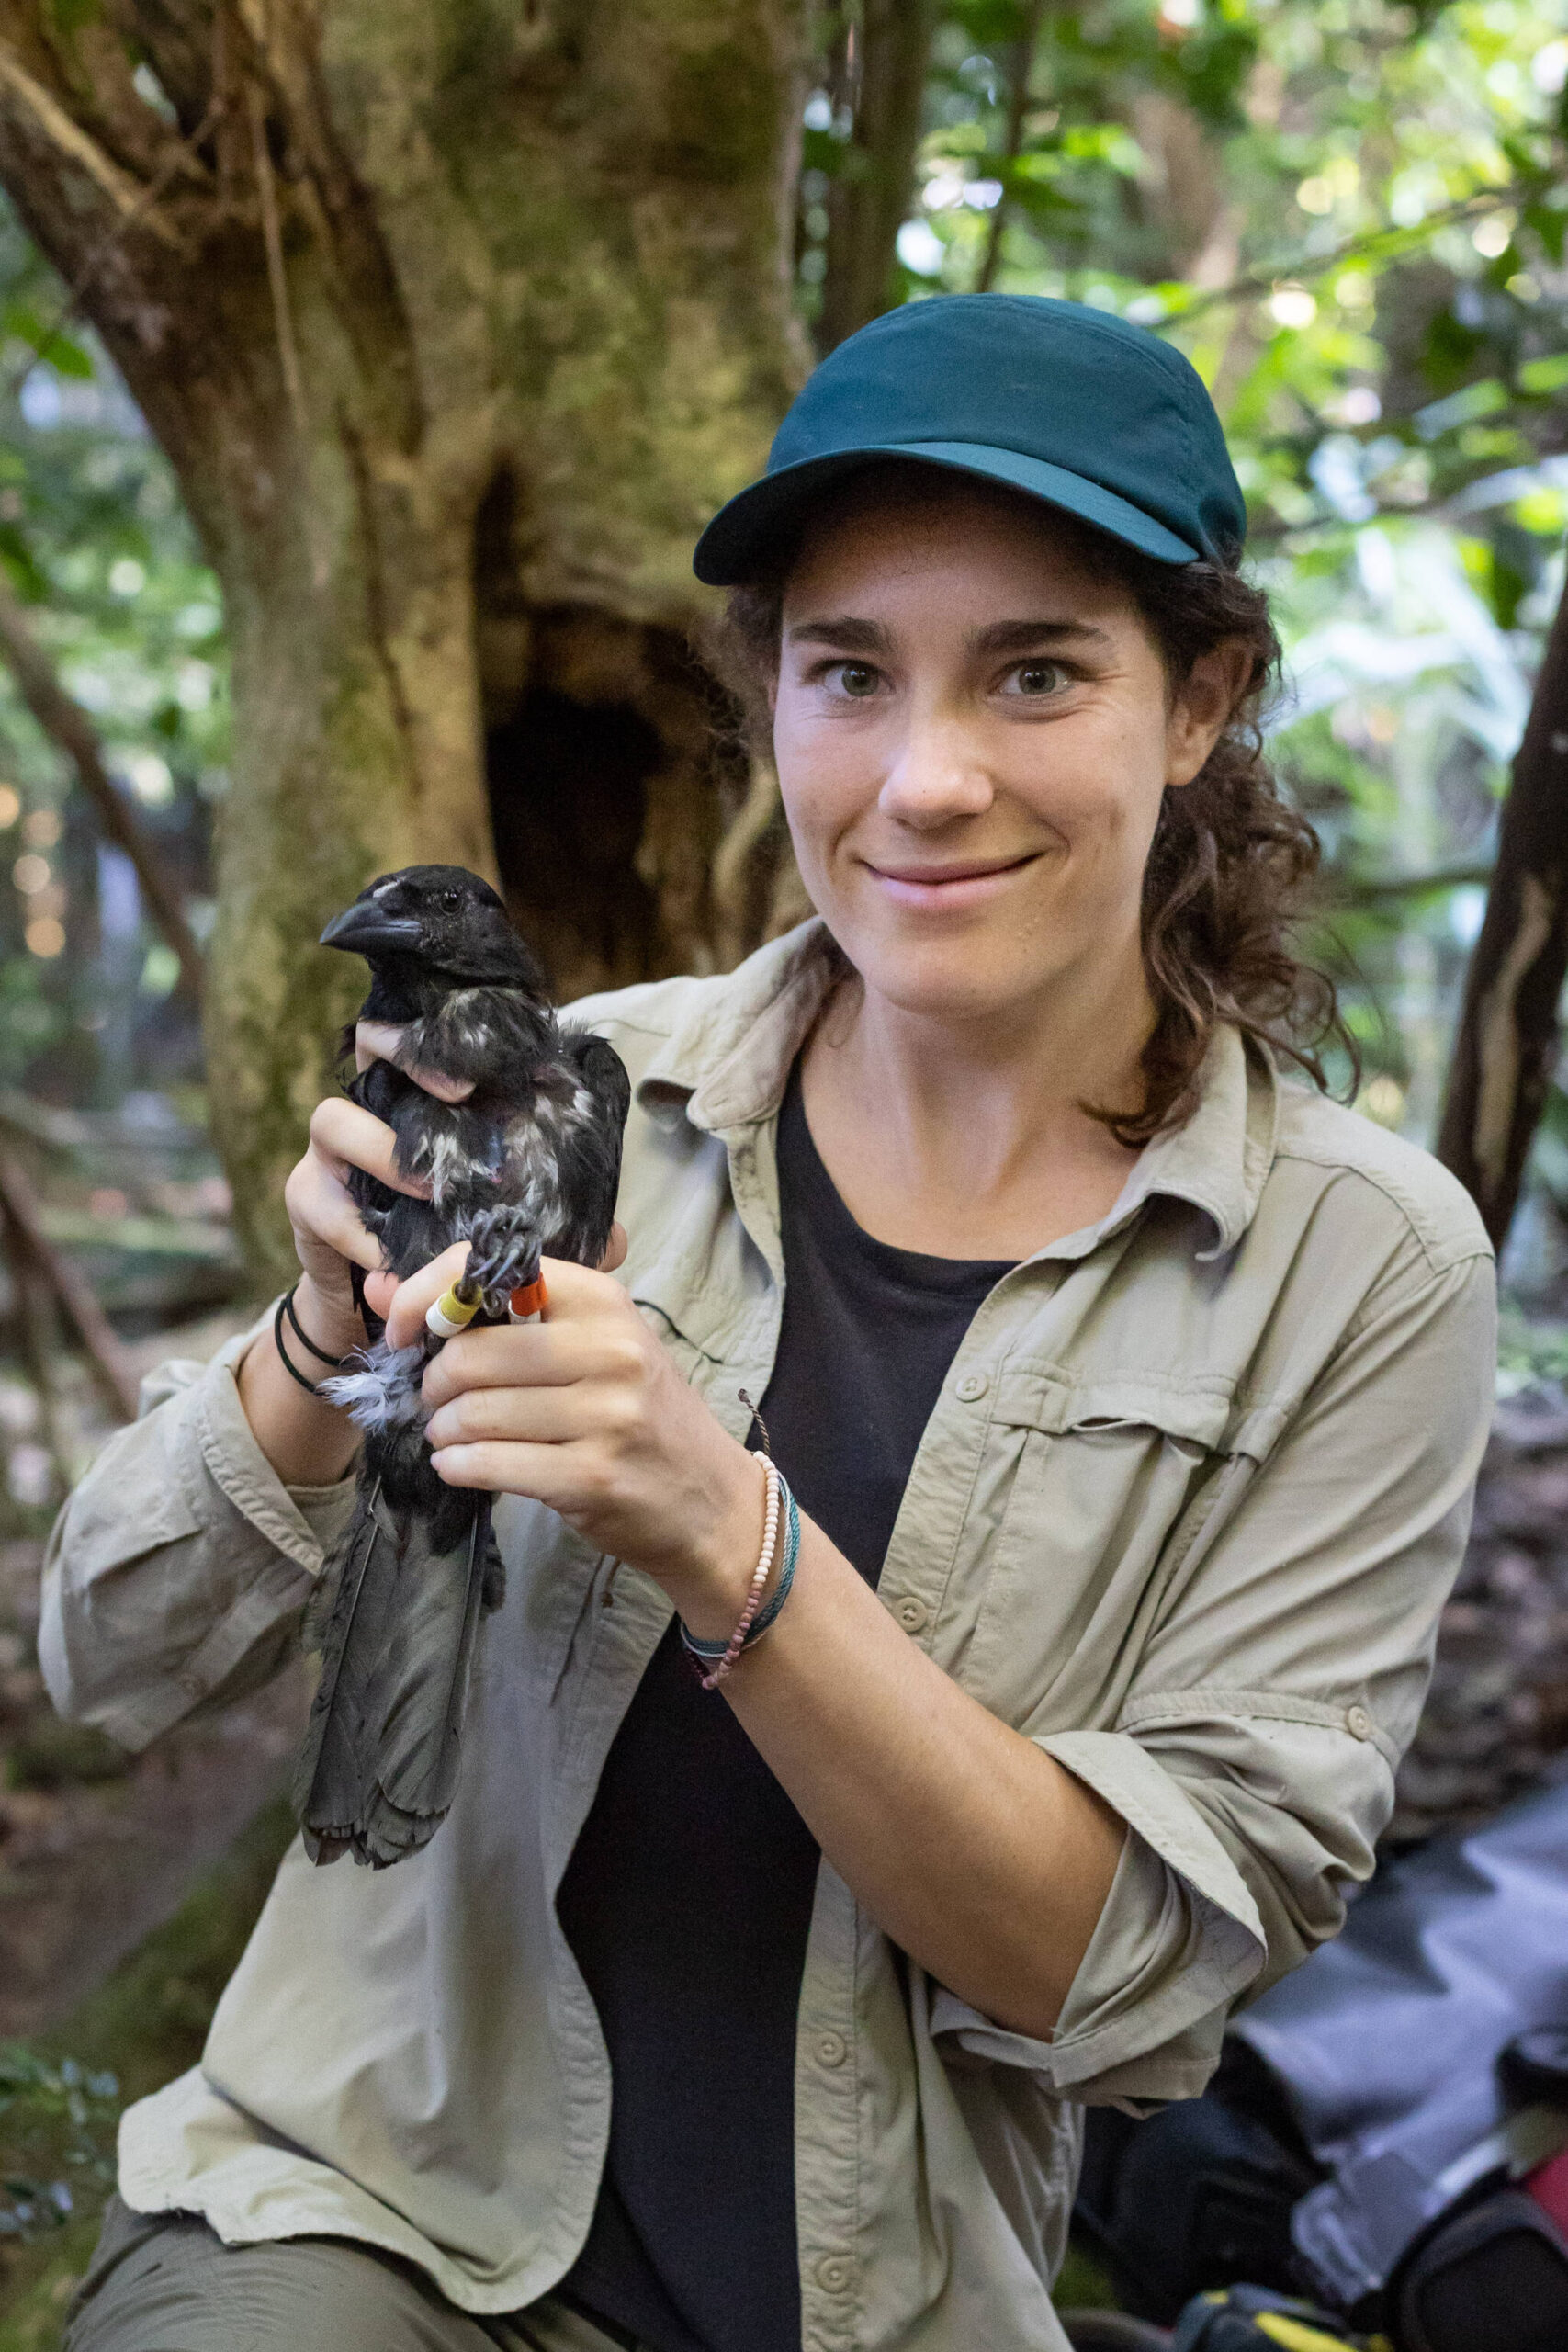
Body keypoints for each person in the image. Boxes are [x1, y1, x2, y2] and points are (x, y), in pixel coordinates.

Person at [42, 294, 1495, 2352]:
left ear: (1199, 700)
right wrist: (306, 1351)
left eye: (1035, 671)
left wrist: (735, 1541)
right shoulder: (575, 1094)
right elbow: (99, 1668)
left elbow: (1122, 1981)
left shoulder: (1357, 1273)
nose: (923, 777)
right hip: (356, 2216)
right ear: (766, 704)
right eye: (847, 674)